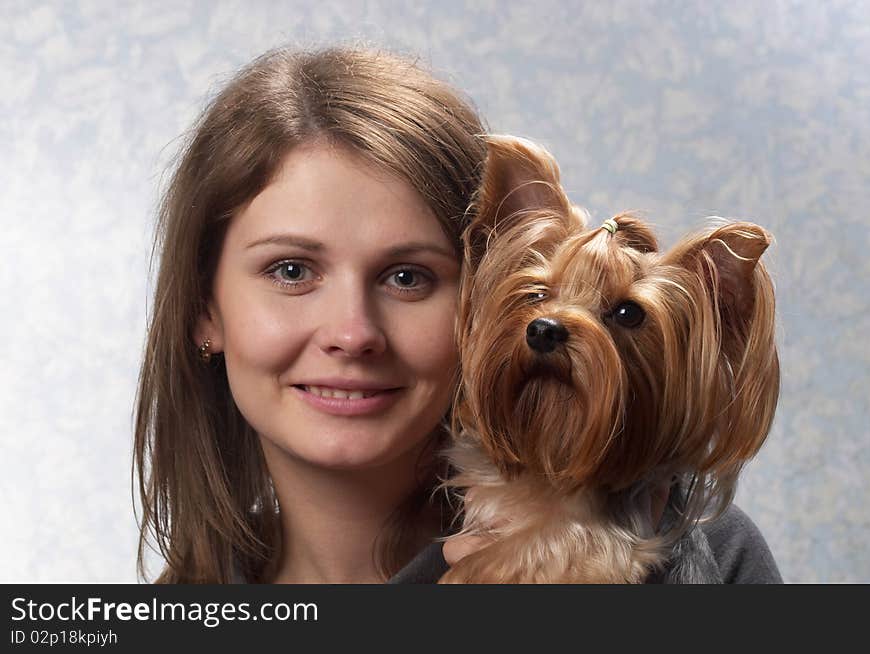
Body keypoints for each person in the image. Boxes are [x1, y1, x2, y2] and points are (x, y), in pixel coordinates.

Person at [134, 46, 782, 584]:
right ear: (203, 310)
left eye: (408, 277)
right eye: (292, 271)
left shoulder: (701, 559)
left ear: (480, 301)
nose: (353, 333)